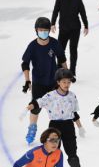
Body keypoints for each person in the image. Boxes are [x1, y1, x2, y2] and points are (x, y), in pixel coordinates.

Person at [27, 68, 87, 167]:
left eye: (69, 82)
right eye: (64, 82)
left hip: (68, 126)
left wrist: (80, 127)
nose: (67, 85)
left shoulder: (72, 96)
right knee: (51, 154)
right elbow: (39, 102)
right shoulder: (51, 95)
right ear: (58, 82)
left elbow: (74, 113)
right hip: (54, 127)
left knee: (72, 154)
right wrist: (31, 105)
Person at [21, 17, 67, 145]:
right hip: (39, 83)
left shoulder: (54, 43)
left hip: (53, 82)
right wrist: (27, 80)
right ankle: (32, 129)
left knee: (58, 108)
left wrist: (67, 74)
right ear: (36, 31)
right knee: (35, 107)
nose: (44, 32)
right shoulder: (32, 46)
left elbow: (62, 58)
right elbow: (25, 64)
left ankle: (57, 132)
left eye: (46, 30)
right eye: (41, 30)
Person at [51, 0, 89, 79]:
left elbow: (83, 13)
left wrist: (86, 25)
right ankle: (60, 69)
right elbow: (55, 12)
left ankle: (72, 72)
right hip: (63, 29)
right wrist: (52, 23)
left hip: (75, 29)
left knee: (73, 50)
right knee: (60, 50)